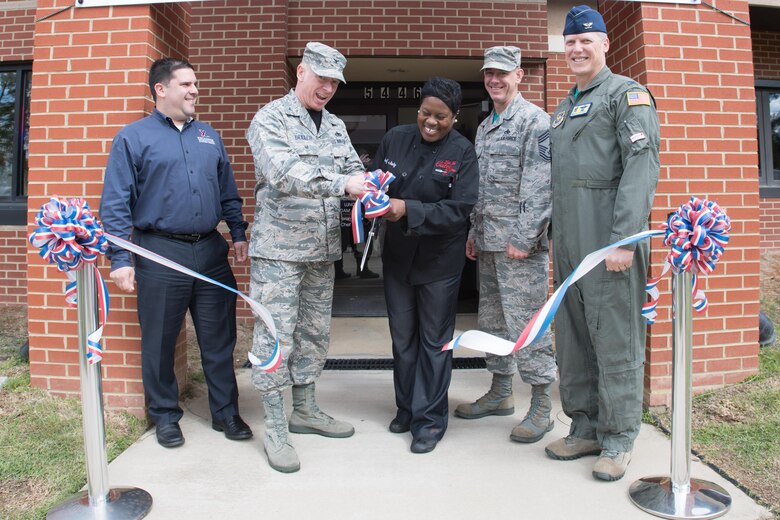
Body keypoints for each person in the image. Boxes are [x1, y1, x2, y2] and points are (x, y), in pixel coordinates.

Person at [100, 57, 252, 448]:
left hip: (210, 253)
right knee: (160, 340)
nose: (194, 90)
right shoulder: (132, 138)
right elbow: (115, 205)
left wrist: (237, 234)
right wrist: (120, 260)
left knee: (220, 339)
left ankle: (226, 413)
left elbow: (227, 192)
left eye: (195, 83)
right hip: (159, 254)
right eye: (185, 84)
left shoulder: (209, 136)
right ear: (161, 90)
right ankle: (165, 415)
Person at [547, 6, 660, 482]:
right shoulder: (563, 107)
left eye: (586, 40)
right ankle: (585, 426)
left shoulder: (626, 95)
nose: (576, 48)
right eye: (570, 41)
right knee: (573, 339)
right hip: (570, 245)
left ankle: (618, 439)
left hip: (610, 244)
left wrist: (625, 241)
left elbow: (641, 167)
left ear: (605, 44)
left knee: (615, 340)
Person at [246, 42, 366, 473]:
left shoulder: (334, 125)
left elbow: (353, 167)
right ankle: (276, 425)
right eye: (322, 78)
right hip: (278, 252)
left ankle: (306, 409)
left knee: (314, 333)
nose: (328, 88)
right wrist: (343, 184)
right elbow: (283, 173)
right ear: (301, 72)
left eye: (335, 82)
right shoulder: (270, 118)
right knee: (276, 336)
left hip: (321, 250)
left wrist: (371, 185)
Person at [454, 46, 557, 445]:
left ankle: (543, 405)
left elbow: (540, 183)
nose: (494, 80)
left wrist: (525, 236)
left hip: (519, 247)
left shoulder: (535, 121)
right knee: (494, 322)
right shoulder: (485, 125)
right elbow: (479, 188)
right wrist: (473, 234)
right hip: (489, 242)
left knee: (527, 324)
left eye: (502, 73)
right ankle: (500, 392)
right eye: (488, 74)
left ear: (519, 76)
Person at [371, 77, 479, 454]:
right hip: (399, 258)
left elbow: (459, 209)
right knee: (403, 340)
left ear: (454, 117)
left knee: (434, 342)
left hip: (439, 262)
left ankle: (430, 420)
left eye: (441, 117)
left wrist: (406, 209)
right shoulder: (395, 138)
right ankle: (407, 408)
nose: (430, 122)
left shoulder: (463, 151)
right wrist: (374, 196)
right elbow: (378, 184)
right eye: (425, 113)